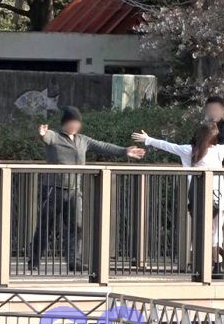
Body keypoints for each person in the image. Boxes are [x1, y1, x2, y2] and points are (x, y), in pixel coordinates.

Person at [29, 106, 145, 273]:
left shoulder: (82, 140)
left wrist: (125, 151)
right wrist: (41, 134)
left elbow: (103, 146)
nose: (75, 125)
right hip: (54, 189)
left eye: (77, 123)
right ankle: (34, 260)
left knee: (76, 226)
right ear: (65, 123)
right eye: (72, 122)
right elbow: (46, 137)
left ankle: (73, 261)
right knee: (46, 226)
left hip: (74, 190)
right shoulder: (55, 136)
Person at [132, 121, 224, 278]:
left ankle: (207, 263)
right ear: (214, 137)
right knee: (216, 230)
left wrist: (148, 139)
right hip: (220, 197)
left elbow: (168, 146)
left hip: (200, 197)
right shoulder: (217, 151)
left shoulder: (189, 150)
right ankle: (217, 262)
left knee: (203, 230)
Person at [193, 96, 224, 166]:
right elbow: (193, 145)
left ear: (223, 111)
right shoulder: (202, 129)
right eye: (210, 109)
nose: (212, 112)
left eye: (215, 109)